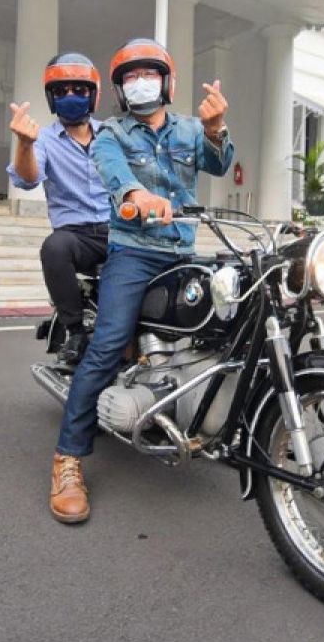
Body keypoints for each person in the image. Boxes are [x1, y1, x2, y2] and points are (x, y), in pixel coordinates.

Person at [48, 38, 234, 524]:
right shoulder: (110, 133)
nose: (139, 83)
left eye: (147, 73)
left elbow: (218, 163)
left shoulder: (191, 130)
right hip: (133, 252)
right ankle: (68, 458)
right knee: (107, 343)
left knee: (229, 319)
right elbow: (112, 174)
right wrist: (137, 193)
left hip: (183, 250)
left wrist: (216, 130)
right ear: (118, 90)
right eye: (129, 78)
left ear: (166, 81)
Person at [7, 53, 111, 365]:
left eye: (78, 90)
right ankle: (75, 330)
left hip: (118, 231)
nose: (70, 96)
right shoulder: (44, 140)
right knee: (53, 248)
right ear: (51, 98)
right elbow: (27, 178)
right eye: (61, 91)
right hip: (75, 236)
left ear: (92, 95)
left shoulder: (112, 134)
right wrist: (24, 144)